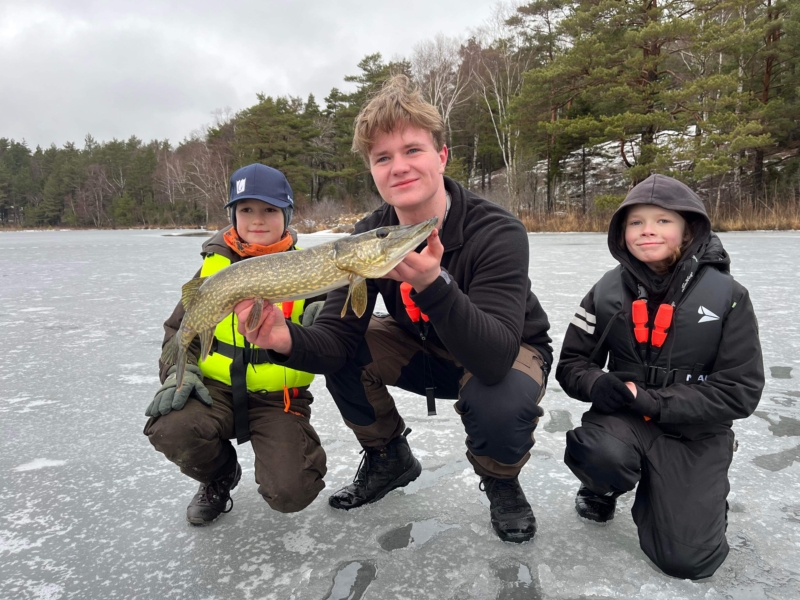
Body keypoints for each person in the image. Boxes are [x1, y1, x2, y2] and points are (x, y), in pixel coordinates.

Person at [234, 75, 552, 543]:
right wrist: (286, 340)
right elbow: (337, 342)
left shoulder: (496, 231)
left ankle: (502, 480)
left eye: (412, 151)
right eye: (383, 158)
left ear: (441, 156)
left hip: (502, 352)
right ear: (372, 170)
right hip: (419, 348)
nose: (398, 167)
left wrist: (432, 284)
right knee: (347, 352)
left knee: (498, 398)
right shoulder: (369, 234)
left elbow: (492, 357)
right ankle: (388, 458)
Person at [556, 174, 764, 578]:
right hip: (626, 424)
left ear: (688, 230)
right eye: (635, 222)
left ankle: (694, 494)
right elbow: (571, 364)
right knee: (597, 451)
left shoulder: (729, 296)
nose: (647, 230)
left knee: (687, 561)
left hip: (696, 431)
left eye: (663, 220)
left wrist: (653, 400)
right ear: (622, 232)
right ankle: (602, 487)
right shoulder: (605, 290)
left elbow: (741, 391)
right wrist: (599, 383)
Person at [144, 163, 327, 525]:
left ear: (287, 215)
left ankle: (288, 459)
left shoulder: (311, 268)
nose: (257, 220)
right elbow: (180, 328)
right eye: (246, 210)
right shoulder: (214, 267)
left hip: (280, 399)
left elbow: (334, 342)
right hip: (215, 391)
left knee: (291, 491)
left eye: (270, 210)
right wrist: (179, 373)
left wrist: (320, 325)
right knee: (172, 427)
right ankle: (219, 475)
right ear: (233, 214)